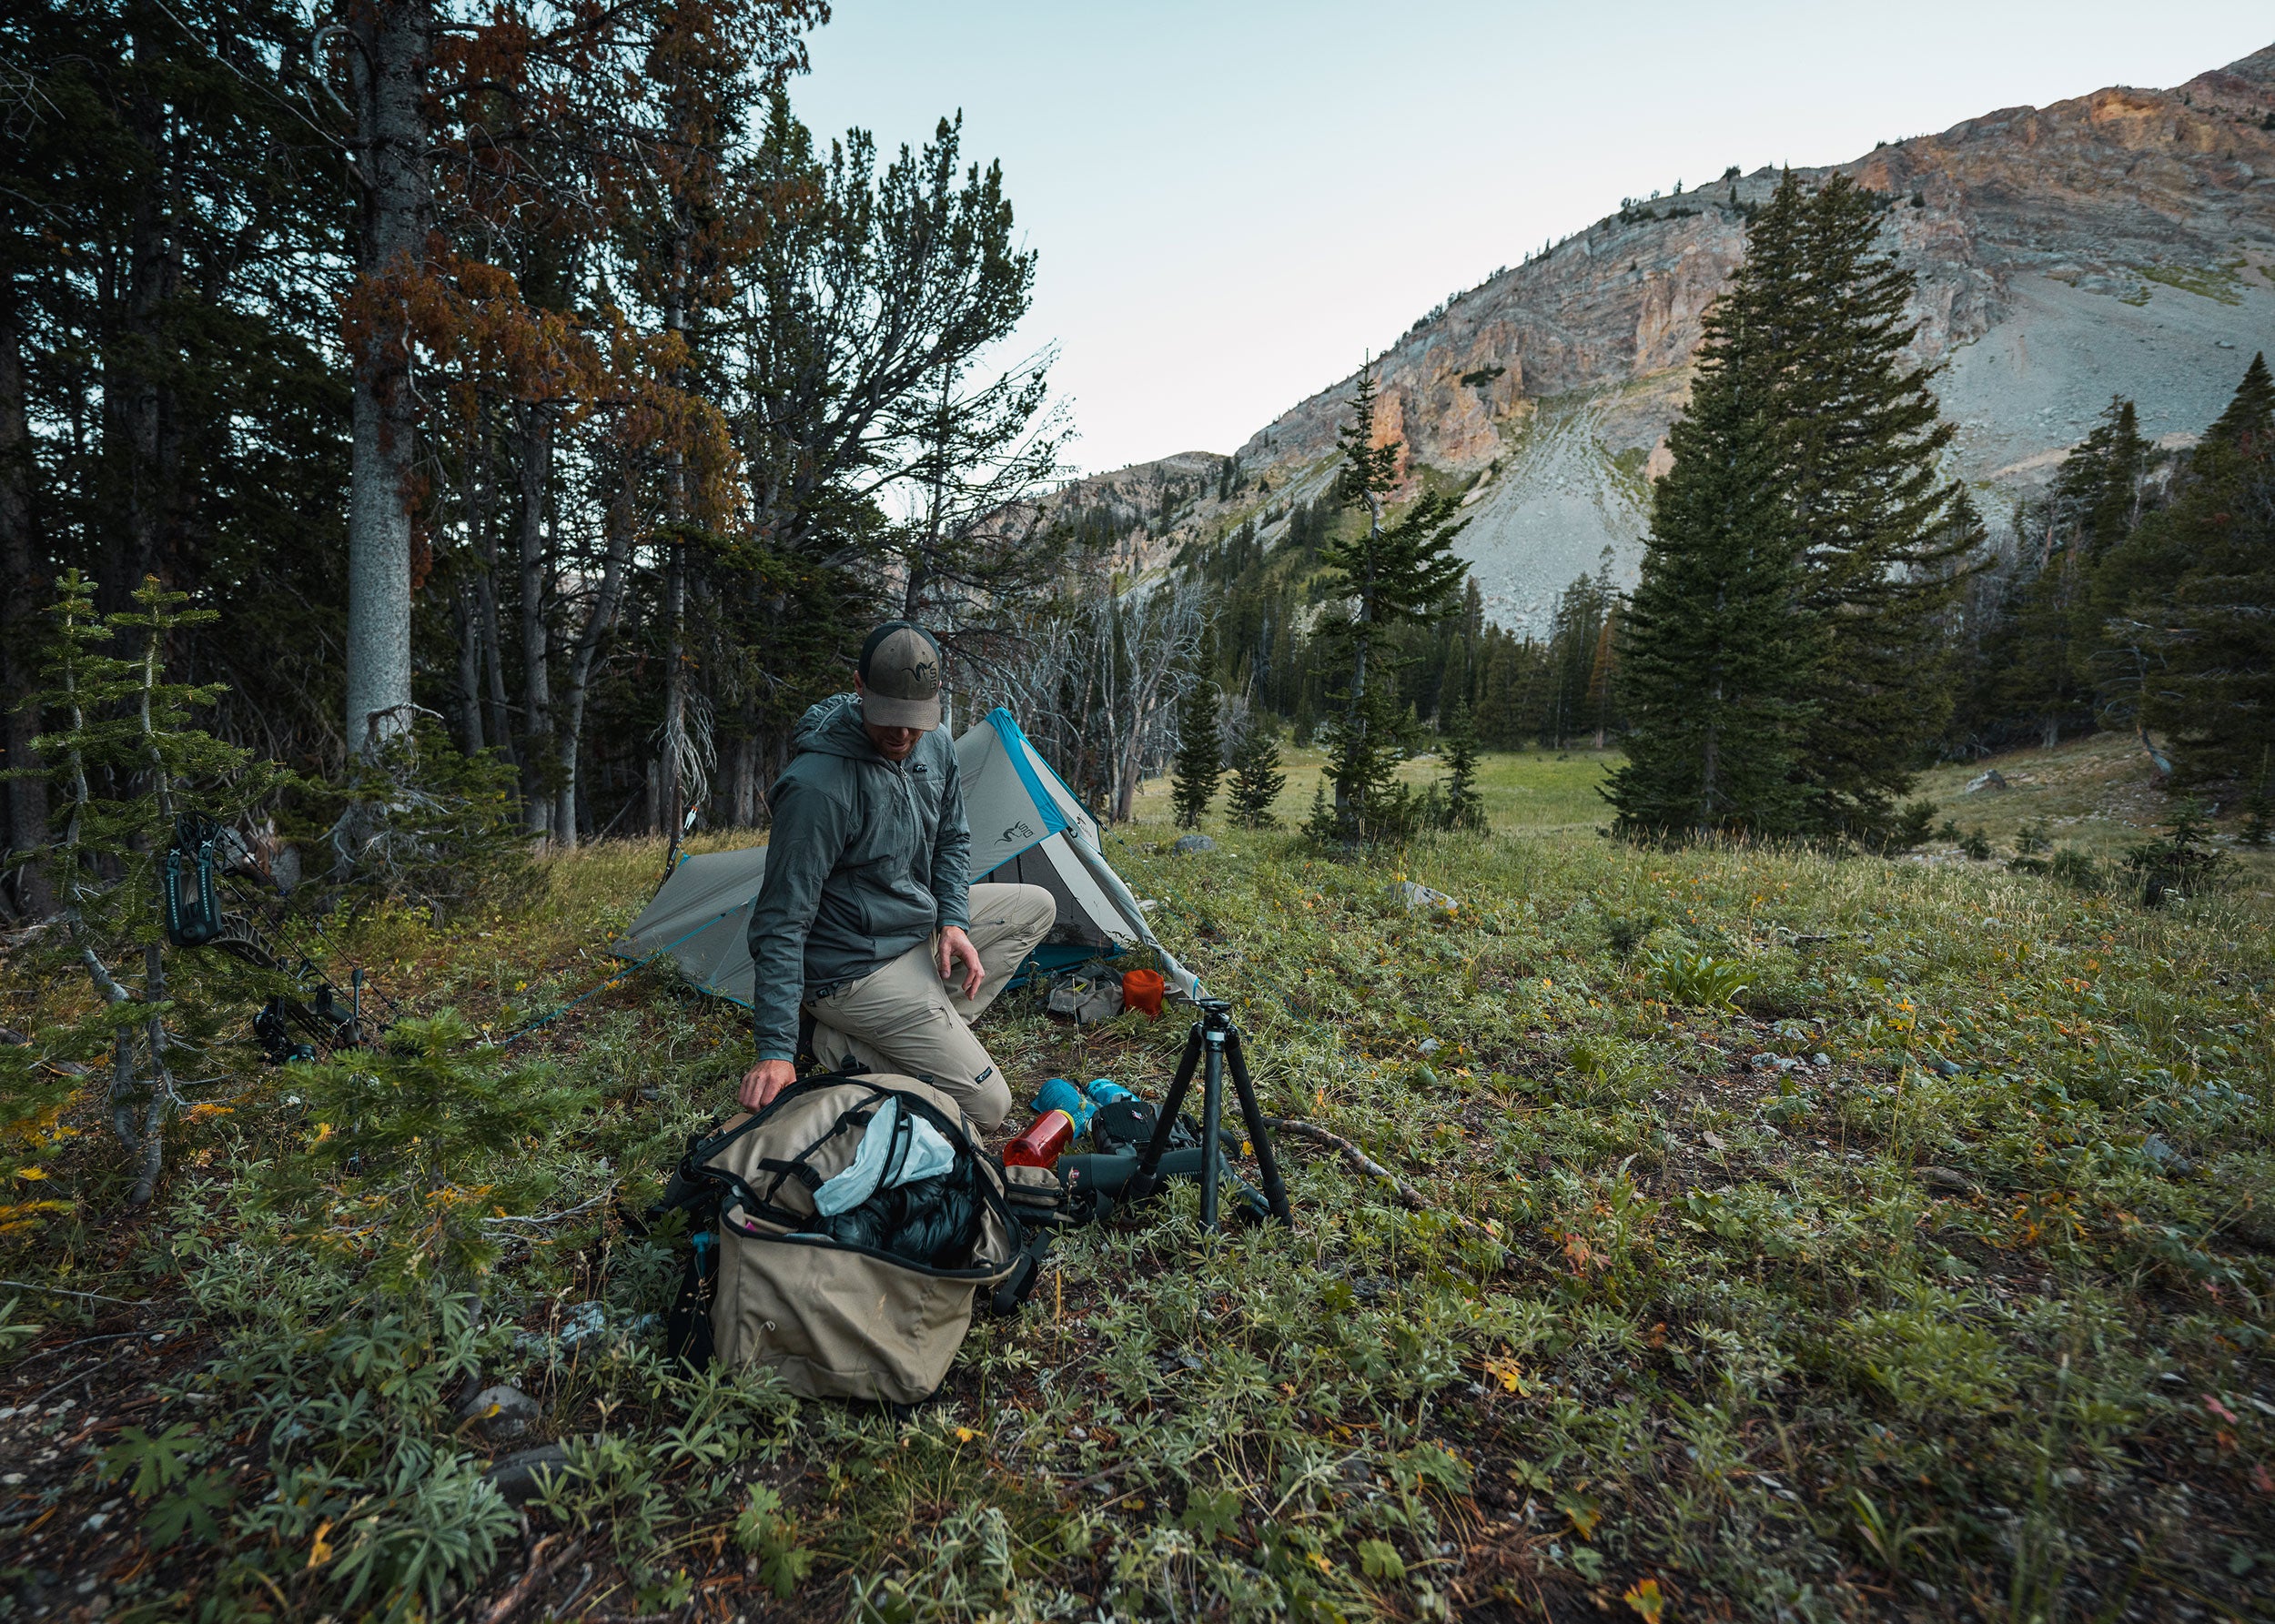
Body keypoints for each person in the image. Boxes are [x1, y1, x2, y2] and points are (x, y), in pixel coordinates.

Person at [738, 621, 1053, 1129]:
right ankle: (834, 1044)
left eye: (916, 720)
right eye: (888, 716)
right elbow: (780, 920)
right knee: (989, 1107)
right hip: (852, 969)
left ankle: (924, 1029)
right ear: (859, 687)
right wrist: (775, 1049)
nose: (902, 734)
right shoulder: (818, 787)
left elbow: (953, 838)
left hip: (914, 932)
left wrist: (953, 921)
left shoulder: (936, 745)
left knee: (1035, 906)